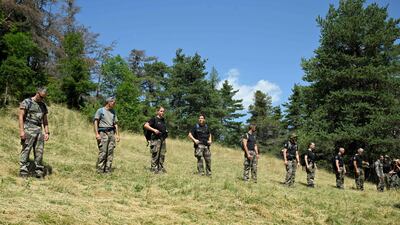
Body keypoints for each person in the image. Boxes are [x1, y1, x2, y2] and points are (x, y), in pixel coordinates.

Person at [18, 87, 50, 178]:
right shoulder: (27, 102)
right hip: (28, 129)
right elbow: (20, 116)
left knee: (39, 152)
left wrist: (47, 132)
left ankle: (38, 172)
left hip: (39, 131)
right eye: (41, 96)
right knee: (26, 150)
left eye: (44, 97)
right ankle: (23, 171)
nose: (42, 99)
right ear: (37, 93)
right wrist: (21, 131)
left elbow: (45, 120)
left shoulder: (43, 105)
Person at [93, 97, 120, 173]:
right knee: (103, 151)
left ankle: (107, 169)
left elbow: (116, 124)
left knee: (110, 152)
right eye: (113, 102)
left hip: (111, 133)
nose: (114, 104)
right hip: (103, 133)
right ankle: (100, 169)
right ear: (108, 102)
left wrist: (117, 135)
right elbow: (96, 122)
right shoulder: (100, 110)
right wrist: (97, 134)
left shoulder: (113, 112)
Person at [144, 106, 168, 173]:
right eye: (161, 111)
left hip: (162, 140)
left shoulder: (163, 120)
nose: (162, 112)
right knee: (155, 154)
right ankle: (153, 168)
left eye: (163, 111)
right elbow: (146, 125)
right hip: (155, 140)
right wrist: (154, 130)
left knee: (162, 155)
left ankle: (160, 168)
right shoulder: (154, 119)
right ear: (157, 112)